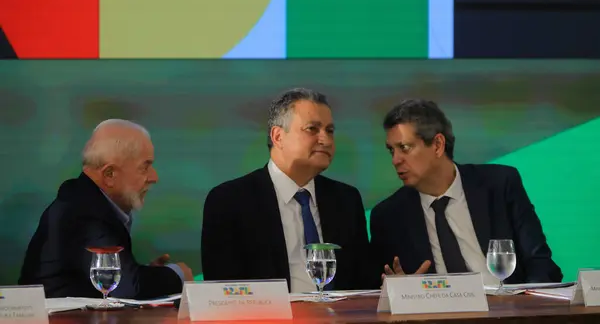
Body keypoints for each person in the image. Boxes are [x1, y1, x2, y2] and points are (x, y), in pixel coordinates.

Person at [370, 99, 563, 285]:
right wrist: (401, 291)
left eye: (404, 148)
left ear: (438, 145)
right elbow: (380, 289)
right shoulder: (389, 216)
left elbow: (541, 264)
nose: (396, 160)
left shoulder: (500, 185)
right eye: (391, 151)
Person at [202, 88, 376, 291]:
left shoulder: (346, 199)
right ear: (278, 136)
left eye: (330, 131)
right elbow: (222, 290)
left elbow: (362, 283)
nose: (326, 140)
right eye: (312, 129)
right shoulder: (229, 201)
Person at [19, 119, 193, 298]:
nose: (154, 177)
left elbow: (114, 281)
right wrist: (178, 274)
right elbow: (121, 287)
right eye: (145, 167)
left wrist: (148, 274)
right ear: (109, 175)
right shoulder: (83, 214)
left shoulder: (84, 202)